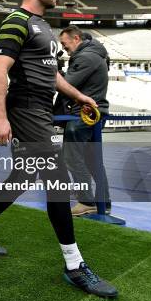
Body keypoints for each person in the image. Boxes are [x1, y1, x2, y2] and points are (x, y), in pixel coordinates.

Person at [0, 0, 118, 298]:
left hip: (41, 110)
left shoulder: (43, 26)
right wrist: (0, 117)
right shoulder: (16, 21)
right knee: (58, 180)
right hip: (25, 110)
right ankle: (74, 265)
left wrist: (80, 96)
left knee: (23, 175)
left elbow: (53, 76)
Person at [58, 25, 111, 216]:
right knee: (93, 159)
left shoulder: (85, 57)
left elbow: (66, 85)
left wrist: (54, 72)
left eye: (65, 44)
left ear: (76, 38)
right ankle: (103, 201)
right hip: (93, 112)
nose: (64, 49)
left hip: (83, 114)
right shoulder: (95, 54)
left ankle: (86, 201)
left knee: (71, 157)